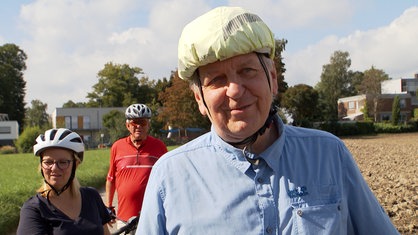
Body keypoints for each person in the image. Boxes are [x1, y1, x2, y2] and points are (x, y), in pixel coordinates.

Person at [136, 6, 399, 235]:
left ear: (272, 78)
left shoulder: (329, 154)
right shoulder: (170, 176)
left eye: (247, 70)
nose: (235, 90)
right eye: (216, 79)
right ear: (199, 99)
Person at [17, 128, 111, 235]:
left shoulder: (91, 197)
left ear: (75, 164)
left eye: (62, 162)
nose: (54, 168)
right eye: (48, 162)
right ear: (41, 166)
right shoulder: (34, 209)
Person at [105, 103, 167, 230]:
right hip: (124, 218)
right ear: (128, 125)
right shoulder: (117, 147)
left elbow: (168, 179)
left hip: (152, 217)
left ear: (148, 125)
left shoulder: (159, 147)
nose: (138, 126)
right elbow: (111, 179)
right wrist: (109, 206)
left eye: (143, 122)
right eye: (134, 123)